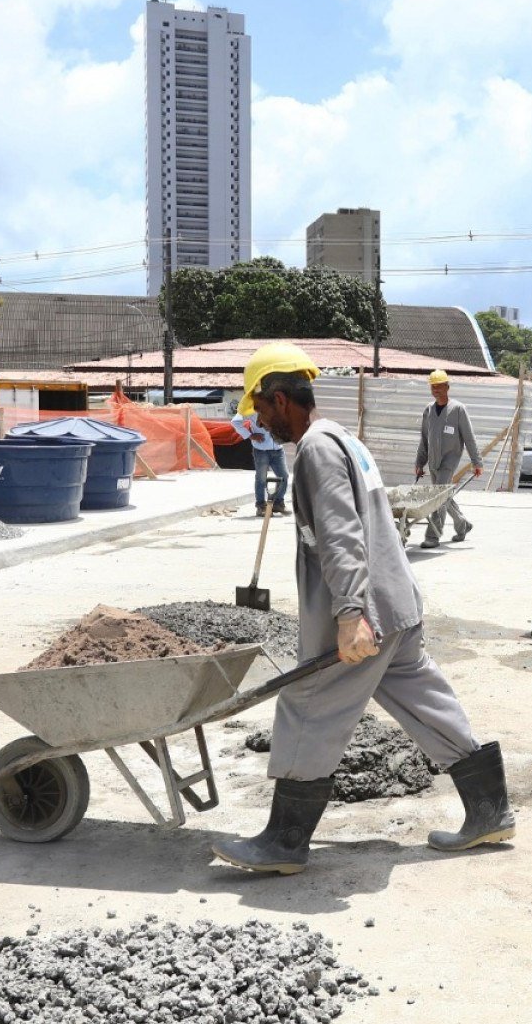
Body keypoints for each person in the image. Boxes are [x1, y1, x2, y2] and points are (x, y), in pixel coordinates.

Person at [212, 343, 513, 875]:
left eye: (259, 410)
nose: (260, 421)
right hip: (397, 604)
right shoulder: (344, 438)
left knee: (307, 703)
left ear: (280, 400)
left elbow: (341, 535)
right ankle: (490, 810)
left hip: (366, 612)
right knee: (424, 700)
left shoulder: (315, 450)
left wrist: (350, 614)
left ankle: (284, 842)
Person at [414, 370, 482, 548]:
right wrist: (419, 463)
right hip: (433, 460)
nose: (436, 389)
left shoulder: (458, 409)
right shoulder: (428, 410)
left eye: (439, 386)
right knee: (443, 496)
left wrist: (477, 462)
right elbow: (424, 438)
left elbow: (469, 437)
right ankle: (463, 524)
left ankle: (433, 536)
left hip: (449, 461)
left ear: (447, 387)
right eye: (433, 386)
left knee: (438, 497)